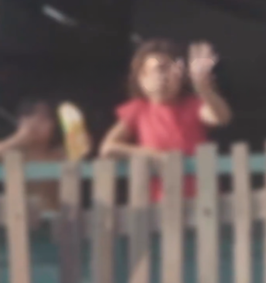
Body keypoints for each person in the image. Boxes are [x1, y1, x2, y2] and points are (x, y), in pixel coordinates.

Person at [100, 39, 233, 200]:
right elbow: (108, 148)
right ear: (141, 78)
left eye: (170, 69)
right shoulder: (138, 109)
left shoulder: (192, 105)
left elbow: (221, 117)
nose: (163, 76)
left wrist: (203, 87)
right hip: (160, 202)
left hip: (202, 200)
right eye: (157, 70)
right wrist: (154, 156)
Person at [0, 98, 64, 210]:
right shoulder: (12, 155)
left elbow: (82, 154)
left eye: (44, 119)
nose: (38, 125)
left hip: (56, 222)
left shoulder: (59, 154)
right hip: (19, 220)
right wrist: (19, 138)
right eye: (34, 120)